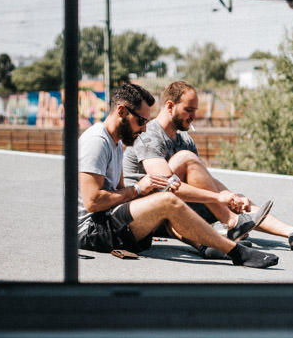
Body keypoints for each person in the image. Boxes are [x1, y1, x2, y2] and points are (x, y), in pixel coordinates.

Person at [123, 80, 293, 252]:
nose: (194, 116)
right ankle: (233, 222)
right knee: (186, 160)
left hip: (177, 205)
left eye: (196, 110)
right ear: (170, 106)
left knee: (232, 195)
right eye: (189, 109)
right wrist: (221, 200)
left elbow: (204, 181)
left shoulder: (184, 139)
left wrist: (230, 197)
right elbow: (170, 186)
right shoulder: (148, 135)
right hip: (148, 214)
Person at [78, 82, 278, 269]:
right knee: (167, 200)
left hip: (110, 220)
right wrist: (139, 189)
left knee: (165, 193)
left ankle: (209, 244)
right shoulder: (97, 141)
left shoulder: (116, 144)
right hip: (93, 231)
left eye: (146, 122)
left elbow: (119, 192)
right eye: (140, 121)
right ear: (121, 111)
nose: (144, 128)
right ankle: (236, 252)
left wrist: (145, 192)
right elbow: (93, 202)